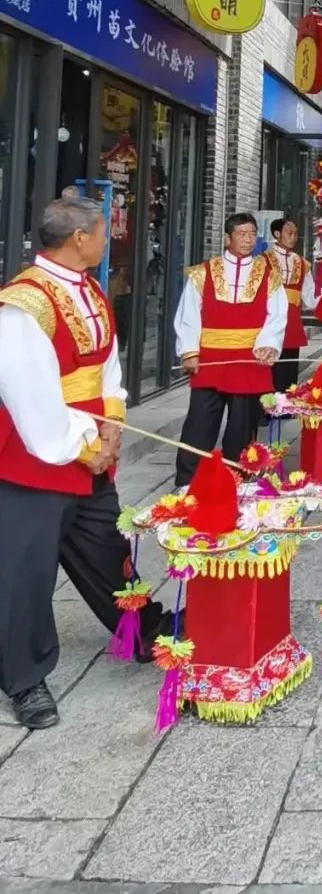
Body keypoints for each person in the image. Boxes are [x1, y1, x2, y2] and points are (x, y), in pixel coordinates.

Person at [0, 196, 166, 729]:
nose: (105, 238)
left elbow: (106, 367)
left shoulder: (90, 288)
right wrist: (86, 445)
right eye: (100, 230)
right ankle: (23, 677)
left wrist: (113, 424)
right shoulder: (25, 304)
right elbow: (32, 401)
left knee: (106, 549)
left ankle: (141, 631)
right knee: (26, 571)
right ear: (78, 239)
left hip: (96, 445)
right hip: (40, 459)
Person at [174, 212, 287, 486]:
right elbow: (189, 314)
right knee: (200, 422)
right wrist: (189, 351)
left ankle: (238, 477)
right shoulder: (203, 272)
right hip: (211, 358)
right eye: (241, 234)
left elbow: (277, 315)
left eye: (251, 234)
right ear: (227, 238)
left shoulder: (268, 275)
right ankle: (189, 481)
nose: (248, 239)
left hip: (249, 359)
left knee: (242, 424)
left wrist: (268, 344)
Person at [269, 217, 315, 393]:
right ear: (277, 233)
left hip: (292, 319)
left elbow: (310, 296)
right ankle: (267, 406)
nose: (294, 236)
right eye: (290, 232)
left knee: (289, 363)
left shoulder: (302, 263)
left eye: (296, 233)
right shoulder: (262, 260)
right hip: (269, 318)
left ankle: (287, 404)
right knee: (270, 362)